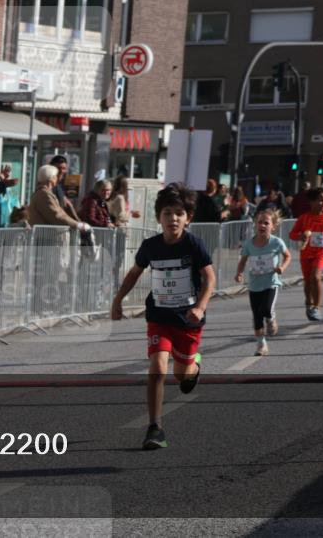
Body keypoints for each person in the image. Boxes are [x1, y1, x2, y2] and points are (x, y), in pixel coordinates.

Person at [110, 185, 215, 450]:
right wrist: (118, 299)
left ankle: (194, 367)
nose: (173, 218)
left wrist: (201, 307)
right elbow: (134, 273)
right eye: (167, 213)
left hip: (188, 320)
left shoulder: (194, 244)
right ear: (159, 218)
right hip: (159, 316)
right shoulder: (150, 246)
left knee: (182, 376)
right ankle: (155, 427)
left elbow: (210, 278)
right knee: (157, 368)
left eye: (179, 213)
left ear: (188, 217)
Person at [234, 208, 291, 356]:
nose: (262, 225)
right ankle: (261, 345)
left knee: (265, 309)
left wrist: (282, 267)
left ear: (273, 226)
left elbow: (288, 256)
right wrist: (239, 273)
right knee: (257, 316)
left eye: (266, 223)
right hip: (254, 285)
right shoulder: (248, 244)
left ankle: (271, 318)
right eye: (260, 222)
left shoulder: (276, 242)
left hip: (271, 283)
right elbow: (243, 261)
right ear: (255, 224)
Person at [289, 188, 323, 321]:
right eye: (320, 200)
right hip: (306, 253)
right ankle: (308, 303)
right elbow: (292, 234)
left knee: (316, 276)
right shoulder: (304, 218)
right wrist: (301, 236)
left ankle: (317, 308)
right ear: (311, 202)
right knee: (308, 281)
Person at [28, 165, 92, 232]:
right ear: (51, 178)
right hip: (48, 239)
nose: (57, 178)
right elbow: (56, 215)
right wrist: (78, 225)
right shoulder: (44, 194)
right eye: (55, 176)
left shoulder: (43, 193)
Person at [48, 155, 80, 221]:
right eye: (58, 168)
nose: (61, 171)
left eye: (64, 168)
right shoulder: (48, 185)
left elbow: (68, 204)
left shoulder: (60, 185)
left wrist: (78, 221)